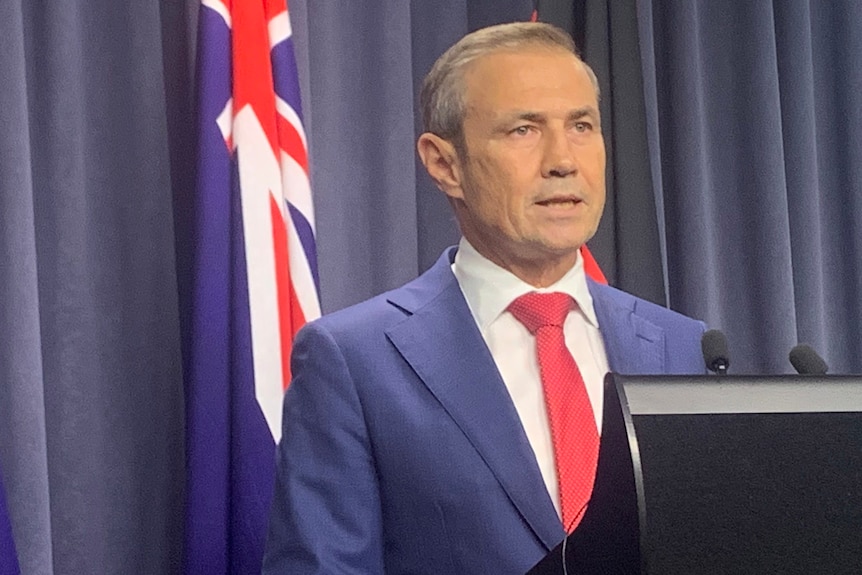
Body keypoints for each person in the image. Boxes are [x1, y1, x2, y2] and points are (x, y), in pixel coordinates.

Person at [263, 22, 705, 574]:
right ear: (445, 164)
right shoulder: (353, 360)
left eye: (582, 126)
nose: (563, 160)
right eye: (524, 130)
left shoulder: (683, 348)